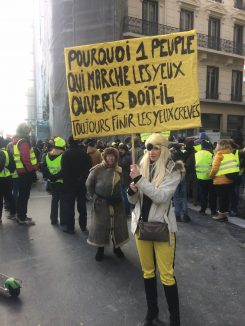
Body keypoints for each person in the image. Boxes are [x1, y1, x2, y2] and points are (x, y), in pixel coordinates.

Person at [128, 133, 183, 326]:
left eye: (156, 147)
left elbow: (161, 197)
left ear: (164, 149)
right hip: (141, 227)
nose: (151, 151)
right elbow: (134, 202)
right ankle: (151, 312)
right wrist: (131, 191)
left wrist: (139, 180)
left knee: (167, 275)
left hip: (162, 228)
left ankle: (175, 319)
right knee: (148, 272)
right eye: (149, 147)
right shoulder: (141, 167)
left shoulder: (173, 170)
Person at [86, 147, 129, 261]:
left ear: (116, 157)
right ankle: (100, 249)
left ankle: (117, 247)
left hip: (117, 203)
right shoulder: (97, 170)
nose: (111, 158)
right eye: (109, 156)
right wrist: (96, 198)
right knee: (101, 227)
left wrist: (118, 196)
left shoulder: (119, 170)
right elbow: (89, 185)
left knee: (117, 226)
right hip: (101, 204)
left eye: (113, 156)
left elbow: (122, 185)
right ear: (105, 157)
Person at [61, 136, 91, 234]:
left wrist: (69, 180)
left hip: (69, 185)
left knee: (69, 206)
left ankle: (70, 227)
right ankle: (83, 226)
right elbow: (88, 169)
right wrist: (82, 178)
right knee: (82, 206)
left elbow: (64, 171)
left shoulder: (65, 154)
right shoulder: (84, 154)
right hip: (81, 184)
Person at [210, 139, 239, 222]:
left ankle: (221, 216)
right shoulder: (231, 154)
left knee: (221, 198)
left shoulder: (219, 155)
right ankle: (224, 215)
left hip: (220, 180)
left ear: (219, 146)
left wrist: (211, 176)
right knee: (226, 198)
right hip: (229, 180)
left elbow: (214, 169)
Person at [13, 123, 37, 225]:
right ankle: (22, 217)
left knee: (22, 195)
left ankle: (20, 215)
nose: (30, 130)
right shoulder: (24, 141)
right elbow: (26, 158)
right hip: (26, 172)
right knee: (24, 195)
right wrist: (32, 170)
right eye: (28, 128)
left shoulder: (17, 140)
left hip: (21, 171)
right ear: (24, 130)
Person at [41, 137, 66, 225]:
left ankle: (53, 219)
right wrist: (56, 176)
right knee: (63, 201)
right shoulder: (63, 155)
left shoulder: (47, 155)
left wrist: (51, 177)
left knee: (54, 200)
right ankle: (63, 220)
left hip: (52, 182)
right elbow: (64, 170)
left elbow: (43, 168)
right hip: (62, 182)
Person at [195, 140, 217, 216]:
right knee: (212, 195)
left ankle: (202, 210)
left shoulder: (196, 154)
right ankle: (213, 211)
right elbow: (213, 166)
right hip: (209, 178)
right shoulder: (211, 154)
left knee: (203, 194)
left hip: (200, 177)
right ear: (208, 148)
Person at [0, 137, 16, 223]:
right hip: (8, 178)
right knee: (9, 196)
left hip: (1, 179)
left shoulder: (0, 153)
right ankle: (13, 212)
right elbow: (13, 166)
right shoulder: (7, 152)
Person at [118, 143, 132, 218]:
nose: (120, 151)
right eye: (119, 149)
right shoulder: (123, 156)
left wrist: (118, 156)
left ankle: (127, 212)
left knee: (126, 196)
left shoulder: (127, 157)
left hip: (126, 179)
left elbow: (120, 164)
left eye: (121, 149)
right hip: (122, 179)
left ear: (124, 150)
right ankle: (126, 212)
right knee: (123, 196)